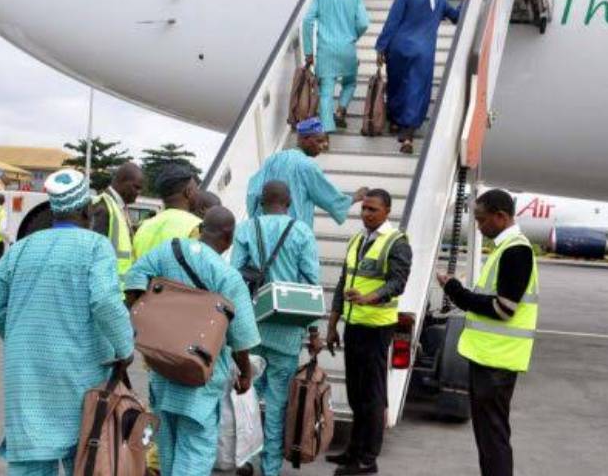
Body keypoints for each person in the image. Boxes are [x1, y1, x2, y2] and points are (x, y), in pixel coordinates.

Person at [0, 169, 133, 476]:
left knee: (31, 457)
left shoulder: (21, 248)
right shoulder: (95, 246)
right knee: (84, 454)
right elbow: (106, 301)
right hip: (79, 371)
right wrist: (125, 347)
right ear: (86, 210)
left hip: (26, 372)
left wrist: (18, 338)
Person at [126, 206, 261, 476]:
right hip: (199, 379)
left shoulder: (168, 251)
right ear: (229, 237)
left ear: (201, 229)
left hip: (162, 370)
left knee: (167, 447)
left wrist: (146, 325)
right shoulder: (228, 277)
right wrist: (245, 374)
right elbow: (241, 338)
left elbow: (133, 281)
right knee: (195, 451)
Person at [437, 189, 538, 476]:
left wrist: (455, 290)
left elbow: (504, 309)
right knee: (489, 436)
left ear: (501, 216)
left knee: (493, 437)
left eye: (481, 220)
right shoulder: (507, 248)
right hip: (490, 357)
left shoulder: (516, 251)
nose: (479, 226)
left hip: (497, 361)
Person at [230, 181, 323, 476]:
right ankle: (270, 469)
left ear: (261, 201)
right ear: (289, 202)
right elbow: (311, 283)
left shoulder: (246, 229)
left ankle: (245, 460)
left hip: (251, 327)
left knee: (246, 397)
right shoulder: (302, 231)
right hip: (287, 330)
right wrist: (313, 331)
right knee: (277, 402)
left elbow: (234, 276)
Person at [326, 189, 412, 476]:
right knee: (355, 393)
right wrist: (332, 325)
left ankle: (367, 459)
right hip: (354, 325)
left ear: (387, 211)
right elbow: (343, 283)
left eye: (373, 209)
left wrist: (369, 298)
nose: (366, 214)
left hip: (376, 328)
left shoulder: (397, 242)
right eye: (364, 208)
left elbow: (398, 283)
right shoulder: (357, 239)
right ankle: (353, 451)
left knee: (372, 396)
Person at [375, 0, 461, 154]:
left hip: (398, 49)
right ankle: (408, 135)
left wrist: (381, 47)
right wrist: (464, 1)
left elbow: (392, 22)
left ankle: (395, 121)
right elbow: (457, 17)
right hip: (423, 53)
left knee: (396, 84)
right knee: (416, 89)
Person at [246, 117, 368, 228]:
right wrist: (355, 197)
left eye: (325, 141)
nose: (323, 146)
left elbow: (252, 193)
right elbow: (330, 198)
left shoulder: (272, 159)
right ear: (304, 139)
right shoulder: (307, 166)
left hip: (264, 230)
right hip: (293, 233)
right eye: (319, 141)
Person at [303, 0, 370, 134]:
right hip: (347, 49)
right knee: (350, 83)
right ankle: (341, 110)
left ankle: (327, 131)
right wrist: (353, 36)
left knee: (326, 92)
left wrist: (309, 52)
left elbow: (307, 21)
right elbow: (364, 24)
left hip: (326, 51)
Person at [91, 162, 145, 291]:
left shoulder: (119, 207)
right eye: (136, 187)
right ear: (121, 181)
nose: (138, 193)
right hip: (106, 288)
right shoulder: (103, 208)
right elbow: (94, 255)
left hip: (118, 288)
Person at [132, 164, 202, 261]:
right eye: (196, 189)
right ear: (188, 192)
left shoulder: (143, 227)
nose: (198, 194)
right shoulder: (196, 226)